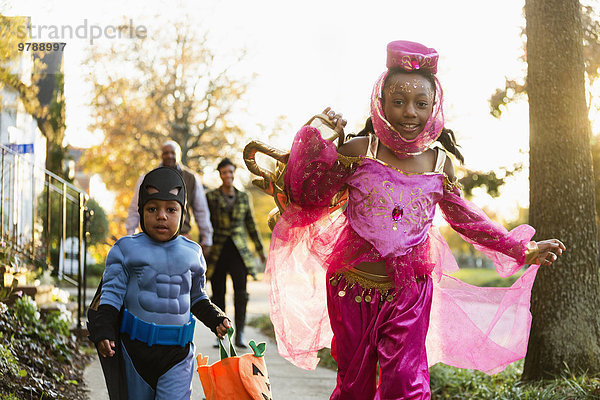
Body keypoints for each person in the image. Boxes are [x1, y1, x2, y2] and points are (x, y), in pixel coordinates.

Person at [263, 40, 566, 399]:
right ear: (382, 103)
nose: (410, 112)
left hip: (410, 292)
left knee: (406, 385)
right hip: (351, 289)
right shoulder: (359, 152)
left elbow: (471, 221)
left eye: (421, 103)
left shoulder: (440, 165)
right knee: (354, 386)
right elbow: (307, 194)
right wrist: (319, 135)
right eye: (399, 101)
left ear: (434, 106)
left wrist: (522, 248)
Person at [91, 166, 230, 399]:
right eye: (152, 208)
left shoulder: (193, 253)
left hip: (178, 354)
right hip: (135, 352)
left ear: (182, 214)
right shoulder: (125, 250)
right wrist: (103, 330)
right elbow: (111, 295)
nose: (162, 216)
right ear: (142, 211)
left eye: (171, 209)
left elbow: (196, 297)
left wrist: (216, 317)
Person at [205, 158, 266, 348]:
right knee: (218, 295)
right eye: (224, 172)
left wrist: (260, 250)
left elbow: (251, 225)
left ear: (234, 173)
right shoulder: (211, 197)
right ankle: (220, 334)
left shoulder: (243, 196)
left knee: (241, 294)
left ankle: (239, 334)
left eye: (230, 172)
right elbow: (205, 223)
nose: (228, 176)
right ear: (220, 174)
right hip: (218, 251)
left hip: (239, 253)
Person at [125, 140, 213, 249]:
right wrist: (130, 234)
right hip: (151, 239)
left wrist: (207, 238)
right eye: (166, 153)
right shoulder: (146, 178)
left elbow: (201, 210)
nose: (169, 156)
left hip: (181, 238)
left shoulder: (191, 178)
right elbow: (135, 208)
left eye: (173, 153)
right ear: (161, 155)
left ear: (179, 155)